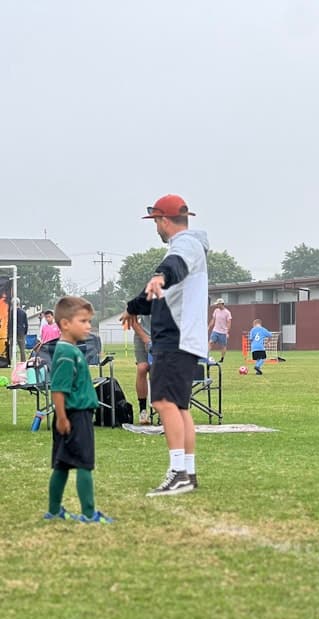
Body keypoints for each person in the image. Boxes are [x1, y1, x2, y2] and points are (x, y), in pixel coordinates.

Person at [122, 194, 209, 496]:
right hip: (184, 338)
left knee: (163, 403)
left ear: (163, 220)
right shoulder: (189, 245)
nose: (156, 228)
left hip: (176, 339)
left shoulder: (184, 245)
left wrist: (160, 275)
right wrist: (133, 306)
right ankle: (189, 471)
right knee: (180, 407)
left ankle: (178, 473)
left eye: (156, 222)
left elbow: (173, 268)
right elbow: (159, 294)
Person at [43, 296, 113, 523]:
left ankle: (54, 512)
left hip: (71, 416)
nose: (88, 326)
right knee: (84, 463)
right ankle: (89, 513)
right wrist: (62, 418)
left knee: (62, 464)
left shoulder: (71, 350)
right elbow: (58, 390)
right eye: (83, 321)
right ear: (65, 324)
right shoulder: (66, 353)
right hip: (76, 417)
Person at [132, 315, 152, 425]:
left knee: (159, 370)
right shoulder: (142, 299)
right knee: (142, 368)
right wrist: (145, 339)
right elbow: (132, 319)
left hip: (163, 336)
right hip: (142, 335)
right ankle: (143, 410)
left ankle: (165, 409)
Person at [208, 298, 231, 363]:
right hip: (215, 330)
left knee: (223, 346)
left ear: (221, 304)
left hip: (223, 332)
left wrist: (227, 332)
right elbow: (213, 319)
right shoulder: (216, 310)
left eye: (218, 304)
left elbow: (229, 323)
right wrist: (209, 327)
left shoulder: (227, 312)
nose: (217, 305)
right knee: (210, 342)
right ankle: (206, 355)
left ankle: (222, 358)